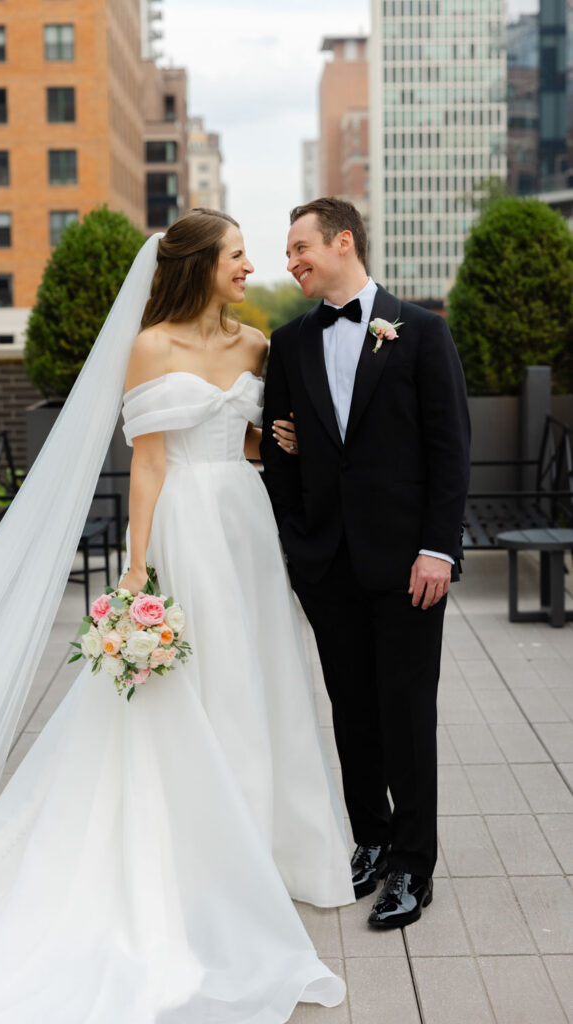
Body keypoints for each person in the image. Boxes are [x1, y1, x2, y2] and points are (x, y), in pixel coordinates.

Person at [0, 210, 354, 1023]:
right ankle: (206, 860)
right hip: (183, 524)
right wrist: (139, 568)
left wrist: (272, 439)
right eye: (238, 255)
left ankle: (276, 849)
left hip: (245, 525)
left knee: (261, 674)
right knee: (199, 682)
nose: (251, 267)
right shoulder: (149, 347)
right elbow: (147, 465)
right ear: (199, 264)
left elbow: (253, 444)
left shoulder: (257, 345)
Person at [261, 197, 470, 929]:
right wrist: (297, 548)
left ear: (341, 241)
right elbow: (279, 457)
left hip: (411, 564)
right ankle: (372, 840)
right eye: (286, 252)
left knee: (406, 713)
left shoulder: (422, 333)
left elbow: (449, 449)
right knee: (350, 711)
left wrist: (438, 548)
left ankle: (414, 864)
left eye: (298, 247)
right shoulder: (287, 344)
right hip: (327, 565)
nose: (289, 262)